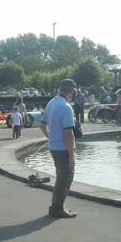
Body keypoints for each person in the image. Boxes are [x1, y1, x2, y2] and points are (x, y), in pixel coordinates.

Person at [40, 79, 77, 218]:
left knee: (60, 178)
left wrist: (51, 137)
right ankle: (57, 209)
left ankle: (55, 207)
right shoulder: (66, 107)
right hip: (63, 149)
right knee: (65, 179)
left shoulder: (52, 102)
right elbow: (69, 133)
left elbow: (42, 125)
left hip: (53, 147)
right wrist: (72, 156)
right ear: (71, 90)